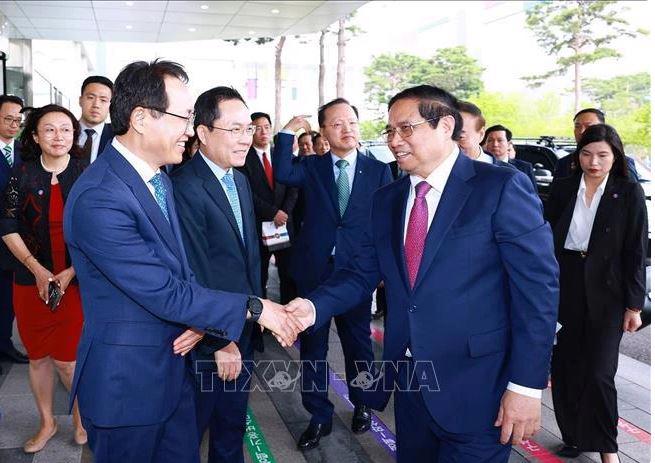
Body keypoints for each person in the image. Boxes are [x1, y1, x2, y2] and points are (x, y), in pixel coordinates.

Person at [286, 85, 559, 462]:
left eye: (406, 128)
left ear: (446, 125)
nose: (394, 141)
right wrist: (312, 307)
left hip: (480, 389)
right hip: (412, 386)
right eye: (390, 131)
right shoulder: (389, 198)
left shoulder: (500, 188)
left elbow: (537, 292)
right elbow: (363, 270)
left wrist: (526, 386)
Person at [63, 60, 299, 463]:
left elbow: (181, 268)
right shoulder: (101, 195)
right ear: (141, 118)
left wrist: (197, 320)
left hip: (173, 371)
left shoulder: (154, 177)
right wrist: (255, 308)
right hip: (129, 388)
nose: (190, 129)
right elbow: (161, 288)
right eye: (183, 117)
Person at [273, 99, 393, 450]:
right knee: (313, 348)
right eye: (337, 124)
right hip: (315, 273)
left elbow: (383, 224)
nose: (347, 129)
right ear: (323, 131)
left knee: (359, 346)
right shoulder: (312, 167)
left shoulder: (379, 171)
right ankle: (319, 415)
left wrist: (382, 270)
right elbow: (282, 171)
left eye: (352, 122)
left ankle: (362, 404)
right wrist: (286, 132)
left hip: (356, 274)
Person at [545, 124, 647, 463]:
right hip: (565, 285)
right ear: (578, 155)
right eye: (587, 154)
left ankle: (608, 449)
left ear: (615, 156)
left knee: (600, 373)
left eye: (602, 155)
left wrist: (634, 304)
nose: (594, 161)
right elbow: (544, 239)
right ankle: (573, 435)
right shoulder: (562, 188)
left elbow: (635, 250)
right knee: (566, 367)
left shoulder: (628, 192)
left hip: (608, 291)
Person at [172, 86, 263, 463]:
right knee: (193, 430)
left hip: (242, 327)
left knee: (231, 427)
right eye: (235, 129)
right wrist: (220, 342)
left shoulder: (238, 179)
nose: (246, 138)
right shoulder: (185, 186)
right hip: (213, 339)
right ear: (203, 132)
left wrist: (257, 316)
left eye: (249, 129)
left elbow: (245, 259)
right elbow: (194, 273)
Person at [0, 104, 88, 452]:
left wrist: (69, 272)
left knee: (68, 360)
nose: (58, 136)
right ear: (35, 136)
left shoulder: (87, 174)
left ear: (74, 135)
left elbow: (99, 232)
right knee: (37, 357)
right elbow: (6, 226)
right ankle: (47, 422)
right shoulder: (20, 174)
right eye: (48, 129)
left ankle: (83, 419)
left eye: (65, 129)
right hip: (28, 279)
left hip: (76, 280)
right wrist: (38, 270)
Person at [237, 111, 298, 304]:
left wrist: (284, 213)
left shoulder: (281, 155)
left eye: (266, 127)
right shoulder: (243, 159)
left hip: (284, 226)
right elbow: (247, 193)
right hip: (259, 228)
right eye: (256, 128)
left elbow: (293, 187)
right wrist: (273, 213)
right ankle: (262, 320)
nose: (263, 132)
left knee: (289, 274)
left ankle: (290, 317)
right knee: (259, 276)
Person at [0, 94, 29, 367]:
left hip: (14, 238)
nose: (13, 124)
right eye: (7, 119)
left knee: (8, 299)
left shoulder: (23, 152)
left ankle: (5, 344)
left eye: (17, 120)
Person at [553, 108, 639, 182]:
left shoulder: (622, 162)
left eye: (588, 126)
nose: (581, 131)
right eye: (577, 126)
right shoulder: (564, 163)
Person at [483, 124, 538, 192]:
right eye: (490, 140)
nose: (495, 144)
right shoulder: (480, 165)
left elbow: (533, 195)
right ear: (486, 144)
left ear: (509, 144)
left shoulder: (524, 167)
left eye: (500, 140)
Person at [457, 101, 511, 168]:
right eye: (444, 137)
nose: (450, 144)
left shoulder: (507, 176)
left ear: (481, 135)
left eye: (460, 137)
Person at [77, 75, 114, 163]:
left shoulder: (118, 137)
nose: (96, 105)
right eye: (90, 98)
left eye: (103, 100)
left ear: (111, 106)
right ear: (80, 100)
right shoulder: (65, 132)